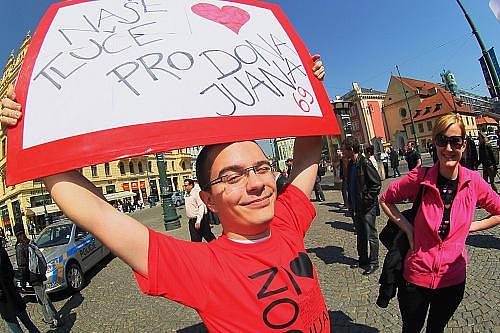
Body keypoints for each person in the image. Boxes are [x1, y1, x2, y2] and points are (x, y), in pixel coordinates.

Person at [2, 55, 328, 331]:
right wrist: (28, 136)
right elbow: (97, 214)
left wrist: (310, 88)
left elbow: (307, 155)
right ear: (208, 200)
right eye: (233, 177)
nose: (256, 183)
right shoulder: (201, 267)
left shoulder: (286, 220)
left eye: (261, 168)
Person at [380, 114, 500, 333]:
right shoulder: (420, 177)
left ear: (464, 144)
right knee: (411, 329)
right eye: (442, 140)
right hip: (415, 278)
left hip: (452, 280)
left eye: (455, 141)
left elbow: (499, 211)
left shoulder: (474, 181)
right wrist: (407, 228)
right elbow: (386, 199)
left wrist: (470, 227)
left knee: (436, 329)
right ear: (434, 143)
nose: (448, 148)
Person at [14, 223, 62, 329]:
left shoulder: (20, 247)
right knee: (40, 298)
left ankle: (56, 319)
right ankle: (48, 318)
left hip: (33, 277)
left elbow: (22, 267)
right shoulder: (30, 242)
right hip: (39, 274)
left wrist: (22, 284)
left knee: (44, 299)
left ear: (15, 234)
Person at [345, 139, 382, 275]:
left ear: (351, 149)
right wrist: (349, 201)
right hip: (356, 206)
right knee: (360, 234)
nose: (343, 152)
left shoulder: (364, 162)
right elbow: (350, 185)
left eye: (344, 149)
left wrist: (367, 199)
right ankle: (363, 259)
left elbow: (376, 183)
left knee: (371, 235)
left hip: (367, 206)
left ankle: (374, 262)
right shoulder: (351, 164)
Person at [0, 244, 41, 333]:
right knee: (29, 324)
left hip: (5, 301)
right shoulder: (2, 250)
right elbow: (11, 272)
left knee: (17, 328)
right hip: (12, 295)